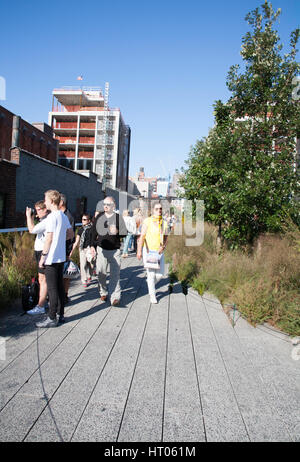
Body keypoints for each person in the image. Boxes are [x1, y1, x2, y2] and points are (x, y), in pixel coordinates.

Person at [35, 190, 74, 328]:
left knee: (52, 289)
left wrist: (43, 257)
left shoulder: (51, 217)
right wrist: (60, 240)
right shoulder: (63, 216)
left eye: (45, 199)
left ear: (52, 201)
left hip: (51, 258)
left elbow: (49, 238)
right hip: (60, 257)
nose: (44, 202)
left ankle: (52, 318)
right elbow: (71, 234)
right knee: (59, 287)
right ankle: (60, 315)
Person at [90, 196, 127, 306]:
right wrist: (92, 246)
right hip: (101, 249)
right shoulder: (99, 217)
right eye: (104, 204)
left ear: (113, 206)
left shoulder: (118, 218)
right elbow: (93, 232)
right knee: (101, 273)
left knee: (115, 275)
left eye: (108, 204)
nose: (105, 206)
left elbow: (124, 233)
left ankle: (115, 297)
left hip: (115, 250)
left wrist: (117, 232)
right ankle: (103, 291)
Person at [137, 202, 168, 304]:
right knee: (150, 275)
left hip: (159, 252)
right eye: (157, 209)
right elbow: (142, 236)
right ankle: (152, 295)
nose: (159, 210)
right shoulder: (147, 221)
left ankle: (151, 285)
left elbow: (166, 237)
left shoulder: (164, 222)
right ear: (152, 210)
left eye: (160, 209)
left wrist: (163, 246)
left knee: (159, 275)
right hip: (149, 251)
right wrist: (139, 251)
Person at [25, 201, 49, 315]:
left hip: (42, 252)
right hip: (39, 251)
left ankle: (41, 306)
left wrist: (28, 216)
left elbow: (31, 230)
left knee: (43, 279)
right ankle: (44, 301)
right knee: (42, 279)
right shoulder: (43, 220)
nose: (37, 212)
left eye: (39, 209)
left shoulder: (46, 221)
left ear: (45, 209)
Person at [69, 214, 93, 288]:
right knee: (83, 264)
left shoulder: (92, 229)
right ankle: (84, 280)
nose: (83, 221)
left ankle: (89, 275)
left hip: (89, 248)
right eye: (82, 219)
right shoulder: (80, 230)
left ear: (89, 221)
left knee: (91, 264)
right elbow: (77, 240)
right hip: (82, 249)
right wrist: (72, 250)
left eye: (85, 220)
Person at [59, 193, 75, 303]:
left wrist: (69, 252)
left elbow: (71, 236)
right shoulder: (58, 214)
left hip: (64, 250)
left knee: (65, 274)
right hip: (59, 250)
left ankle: (64, 295)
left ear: (61, 203)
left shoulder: (68, 216)